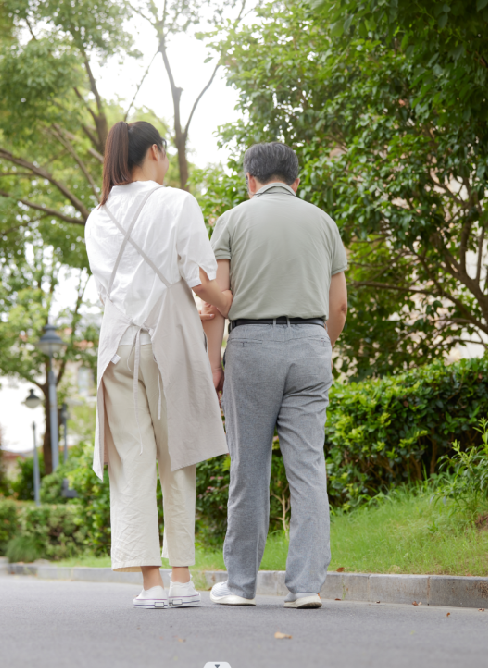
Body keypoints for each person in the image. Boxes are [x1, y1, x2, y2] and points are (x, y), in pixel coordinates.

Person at [85, 121, 232, 609]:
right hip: (166, 337)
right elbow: (200, 276)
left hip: (116, 345)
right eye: (164, 154)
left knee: (134, 461)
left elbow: (108, 291)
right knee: (178, 456)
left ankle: (150, 585)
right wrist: (219, 303)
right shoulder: (177, 202)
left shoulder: (97, 216)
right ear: (154, 152)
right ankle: (183, 580)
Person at [202, 142, 348, 609]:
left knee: (248, 469)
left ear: (251, 180)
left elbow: (216, 302)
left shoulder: (233, 220)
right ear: (296, 181)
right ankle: (306, 586)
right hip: (311, 344)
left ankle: (241, 585)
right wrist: (319, 347)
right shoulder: (324, 222)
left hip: (252, 346)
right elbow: (339, 307)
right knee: (308, 469)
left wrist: (214, 364)